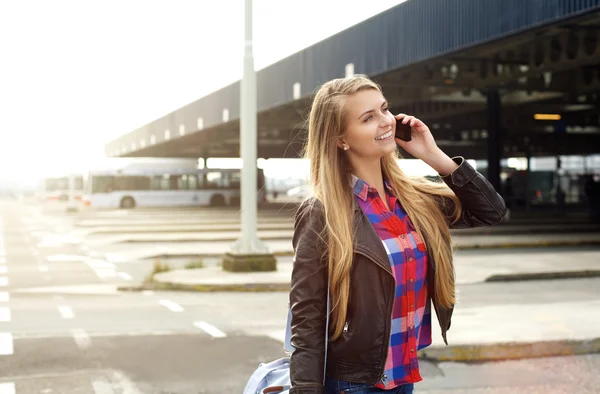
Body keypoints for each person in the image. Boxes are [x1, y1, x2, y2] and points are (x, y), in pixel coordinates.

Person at [288, 75, 507, 394]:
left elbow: (491, 211)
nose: (385, 122)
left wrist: (433, 156)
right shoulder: (322, 213)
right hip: (352, 383)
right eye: (368, 118)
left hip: (403, 377)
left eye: (385, 109)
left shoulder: (415, 200)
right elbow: (307, 316)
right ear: (340, 139)